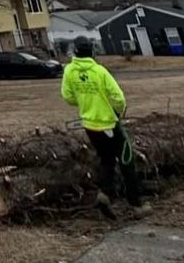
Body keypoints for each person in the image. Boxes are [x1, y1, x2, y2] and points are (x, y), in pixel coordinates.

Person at [61, 37, 147, 217]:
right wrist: (118, 111)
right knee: (127, 160)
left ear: (75, 51)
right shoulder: (99, 71)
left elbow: (67, 96)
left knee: (106, 159)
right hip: (108, 123)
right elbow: (118, 97)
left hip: (89, 125)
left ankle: (105, 193)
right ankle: (136, 204)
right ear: (92, 51)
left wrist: (84, 102)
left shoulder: (69, 70)